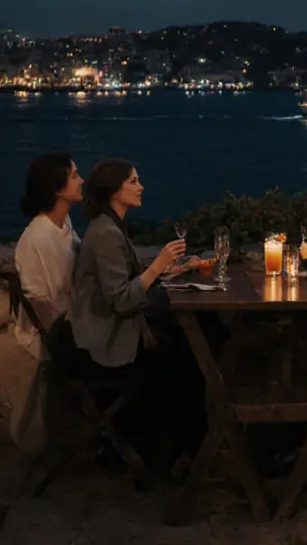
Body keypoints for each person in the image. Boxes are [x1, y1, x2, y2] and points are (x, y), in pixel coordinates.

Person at [70, 158, 209, 473]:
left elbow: (129, 284)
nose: (141, 186)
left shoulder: (111, 225)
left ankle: (182, 447)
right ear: (114, 190)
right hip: (106, 341)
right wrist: (158, 265)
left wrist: (171, 271)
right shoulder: (106, 233)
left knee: (194, 343)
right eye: (133, 181)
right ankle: (185, 450)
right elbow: (120, 300)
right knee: (191, 359)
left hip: (118, 328)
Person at [9, 152, 83, 453]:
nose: (81, 180)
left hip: (72, 326)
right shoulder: (37, 238)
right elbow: (41, 301)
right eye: (75, 175)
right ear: (57, 188)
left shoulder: (65, 227)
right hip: (61, 337)